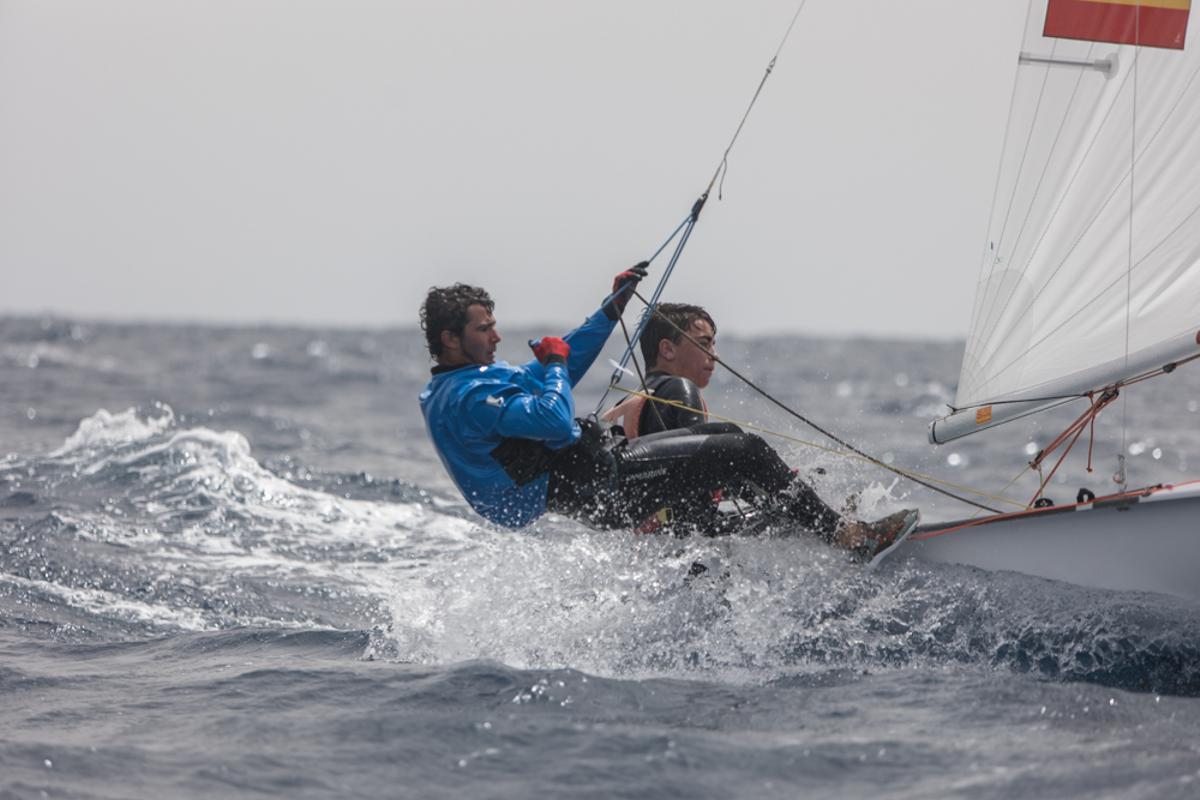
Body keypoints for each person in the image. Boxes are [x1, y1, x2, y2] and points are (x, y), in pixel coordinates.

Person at [418, 270, 916, 557]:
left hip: (594, 481)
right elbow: (551, 410)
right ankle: (847, 538)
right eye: (485, 329)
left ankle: (773, 523)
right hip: (595, 488)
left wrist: (610, 311)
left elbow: (559, 365)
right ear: (449, 338)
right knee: (744, 448)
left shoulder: (469, 383)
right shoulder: (465, 397)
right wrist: (551, 364)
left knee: (723, 441)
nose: (496, 336)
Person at [602, 302, 717, 438]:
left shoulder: (624, 402)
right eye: (704, 344)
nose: (715, 355)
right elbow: (699, 456)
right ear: (667, 349)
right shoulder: (680, 389)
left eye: (713, 345)